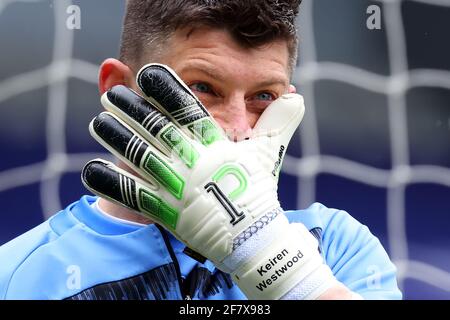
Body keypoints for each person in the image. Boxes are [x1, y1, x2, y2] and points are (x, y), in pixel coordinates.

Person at [0, 0, 401, 300]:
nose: (237, 129)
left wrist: (278, 264)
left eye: (263, 96)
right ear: (117, 91)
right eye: (202, 88)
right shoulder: (19, 274)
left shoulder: (335, 247)